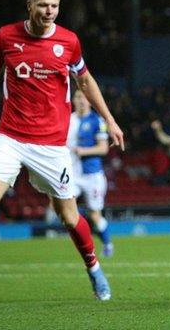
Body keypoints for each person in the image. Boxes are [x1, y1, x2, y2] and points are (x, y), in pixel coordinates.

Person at [0, 0, 125, 303]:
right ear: (30, 5)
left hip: (52, 146)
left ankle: (94, 269)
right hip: (10, 137)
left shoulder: (69, 41)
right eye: (43, 5)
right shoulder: (6, 37)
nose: (49, 12)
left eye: (54, 6)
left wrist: (109, 119)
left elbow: (85, 80)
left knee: (68, 216)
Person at [68, 90, 114, 257]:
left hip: (92, 176)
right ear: (73, 99)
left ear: (89, 101)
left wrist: (83, 151)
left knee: (95, 215)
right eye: (78, 96)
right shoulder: (68, 120)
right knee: (65, 208)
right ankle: (86, 238)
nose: (80, 100)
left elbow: (103, 148)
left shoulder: (97, 121)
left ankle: (107, 243)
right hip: (72, 175)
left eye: (84, 97)